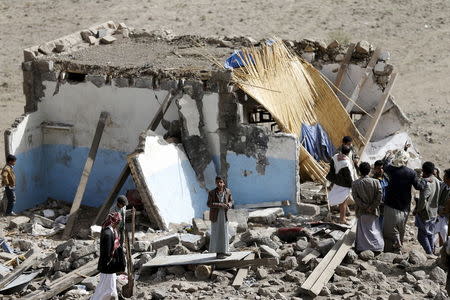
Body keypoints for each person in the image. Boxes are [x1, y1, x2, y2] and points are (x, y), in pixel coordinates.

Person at [382, 150, 426, 252]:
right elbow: (419, 186)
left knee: (389, 229)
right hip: (404, 205)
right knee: (401, 228)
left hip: (390, 204)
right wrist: (425, 180)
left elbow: (385, 164)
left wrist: (389, 155)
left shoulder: (391, 169)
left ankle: (389, 249)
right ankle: (399, 247)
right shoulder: (411, 173)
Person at [92, 212, 126, 300]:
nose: (118, 225)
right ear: (115, 222)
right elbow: (107, 253)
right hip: (107, 266)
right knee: (106, 289)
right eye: (118, 223)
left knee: (107, 288)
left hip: (109, 267)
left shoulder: (111, 231)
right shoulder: (108, 234)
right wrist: (114, 262)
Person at [352, 162, 384, 252]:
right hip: (373, 211)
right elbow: (379, 196)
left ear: (359, 171)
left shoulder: (355, 183)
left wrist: (365, 207)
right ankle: (377, 247)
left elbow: (355, 198)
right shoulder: (376, 182)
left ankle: (362, 248)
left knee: (363, 231)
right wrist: (372, 207)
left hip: (362, 211)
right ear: (369, 170)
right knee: (374, 229)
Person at [414, 161, 441, 255]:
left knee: (421, 236)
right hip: (434, 212)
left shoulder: (427, 183)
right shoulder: (437, 181)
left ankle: (429, 253)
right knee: (429, 233)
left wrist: (417, 210)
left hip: (425, 213)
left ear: (424, 171)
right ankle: (432, 251)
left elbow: (423, 200)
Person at [326, 145, 357, 224]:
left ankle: (342, 217)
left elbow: (332, 169)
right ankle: (342, 219)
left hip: (337, 182)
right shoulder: (346, 162)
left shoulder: (335, 157)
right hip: (345, 185)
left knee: (341, 200)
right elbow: (349, 176)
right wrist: (352, 185)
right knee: (343, 202)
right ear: (348, 152)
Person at [207, 176, 233, 259]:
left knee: (224, 232)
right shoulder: (212, 193)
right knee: (217, 233)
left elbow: (231, 201)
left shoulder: (228, 191)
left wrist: (229, 204)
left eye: (221, 182)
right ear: (215, 183)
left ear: (224, 183)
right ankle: (218, 253)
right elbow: (209, 204)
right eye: (217, 182)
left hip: (224, 215)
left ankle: (225, 251)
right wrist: (220, 205)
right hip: (216, 216)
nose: (219, 184)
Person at [372, 160, 389, 228]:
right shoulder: (373, 180)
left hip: (385, 204)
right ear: (375, 169)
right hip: (376, 205)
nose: (381, 170)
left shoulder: (386, 178)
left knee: (382, 221)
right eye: (379, 168)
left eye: (382, 168)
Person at [437, 169, 450, 246]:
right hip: (441, 214)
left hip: (447, 216)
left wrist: (444, 211)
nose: (443, 178)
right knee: (440, 233)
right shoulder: (444, 185)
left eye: (445, 176)